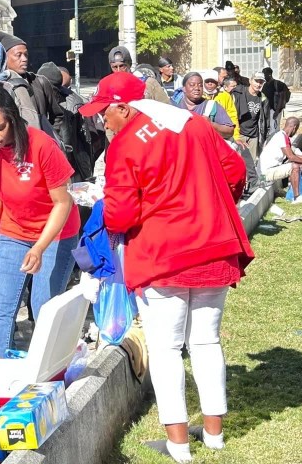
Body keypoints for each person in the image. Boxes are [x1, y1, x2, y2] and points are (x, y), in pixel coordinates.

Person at [80, 71, 253, 464]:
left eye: (105, 112)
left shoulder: (126, 145)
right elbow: (235, 170)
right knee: (207, 342)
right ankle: (214, 436)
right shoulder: (194, 124)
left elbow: (121, 214)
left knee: (166, 348)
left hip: (162, 256)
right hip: (213, 246)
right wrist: (209, 201)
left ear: (125, 107)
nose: (103, 120)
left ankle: (178, 445)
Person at [0, 86, 80, 362]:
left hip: (55, 233)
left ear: (13, 118)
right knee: (0, 308)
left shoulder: (41, 144)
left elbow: (63, 203)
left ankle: (47, 371)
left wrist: (39, 248)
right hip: (14, 231)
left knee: (43, 306)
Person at [0, 32, 61, 131]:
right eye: (18, 55)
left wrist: (50, 135)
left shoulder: (40, 82)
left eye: (26, 55)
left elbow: (58, 116)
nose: (24, 59)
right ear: (4, 58)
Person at [259, 117, 302, 202]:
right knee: (294, 167)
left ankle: (294, 190)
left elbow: (294, 155)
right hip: (263, 175)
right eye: (296, 129)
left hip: (269, 170)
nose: (296, 132)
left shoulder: (282, 136)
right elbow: (291, 157)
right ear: (294, 127)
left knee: (297, 164)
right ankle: (297, 197)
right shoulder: (281, 137)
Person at [173, 72, 235, 139]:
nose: (197, 88)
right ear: (184, 88)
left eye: (200, 85)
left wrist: (210, 124)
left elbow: (230, 131)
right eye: (192, 85)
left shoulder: (212, 106)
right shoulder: (174, 106)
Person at [232, 72, 268, 157]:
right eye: (256, 81)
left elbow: (264, 119)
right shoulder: (239, 93)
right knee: (239, 160)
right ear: (250, 81)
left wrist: (264, 137)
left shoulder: (263, 98)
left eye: (261, 82)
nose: (258, 84)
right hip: (239, 133)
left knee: (252, 161)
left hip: (253, 135)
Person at [203, 74, 241, 139]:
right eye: (207, 81)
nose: (210, 84)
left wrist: (236, 136)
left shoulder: (225, 96)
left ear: (217, 83)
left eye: (213, 81)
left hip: (221, 135)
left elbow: (232, 116)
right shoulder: (198, 96)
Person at [260, 67, 290, 133]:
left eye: (264, 75)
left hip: (275, 110)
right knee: (269, 128)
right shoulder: (265, 85)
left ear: (269, 74)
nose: (263, 77)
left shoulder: (278, 84)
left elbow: (282, 98)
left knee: (274, 128)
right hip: (267, 110)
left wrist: (277, 111)